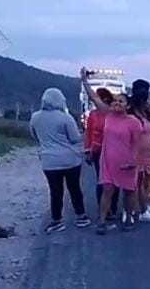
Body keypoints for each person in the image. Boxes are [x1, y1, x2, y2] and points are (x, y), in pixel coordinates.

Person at [81, 68, 143, 234]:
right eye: (115, 101)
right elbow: (93, 97)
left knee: (129, 191)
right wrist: (84, 80)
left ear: (128, 105)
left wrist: (133, 162)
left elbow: (137, 145)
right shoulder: (107, 115)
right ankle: (102, 221)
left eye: (121, 102)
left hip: (127, 162)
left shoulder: (134, 122)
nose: (116, 104)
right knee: (107, 189)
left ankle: (129, 217)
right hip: (108, 160)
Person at [29, 88, 89, 233]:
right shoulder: (65, 118)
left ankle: (56, 221)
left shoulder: (35, 117)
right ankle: (81, 217)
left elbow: (33, 135)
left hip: (49, 161)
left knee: (55, 191)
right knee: (74, 188)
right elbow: (75, 138)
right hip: (70, 160)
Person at [83, 86, 119, 220]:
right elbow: (89, 133)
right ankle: (103, 208)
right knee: (101, 180)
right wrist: (87, 150)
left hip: (114, 150)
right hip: (97, 150)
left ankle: (113, 207)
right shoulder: (93, 114)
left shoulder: (112, 113)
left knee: (115, 181)